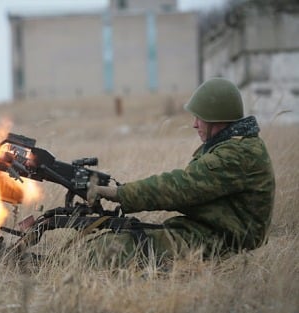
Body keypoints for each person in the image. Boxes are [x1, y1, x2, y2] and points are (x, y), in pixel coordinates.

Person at [86, 77, 276, 267]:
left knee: (102, 250)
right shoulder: (235, 145)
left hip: (222, 243)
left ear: (215, 118)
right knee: (111, 239)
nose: (194, 124)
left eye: (199, 117)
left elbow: (180, 187)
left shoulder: (236, 154)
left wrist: (120, 193)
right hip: (208, 232)